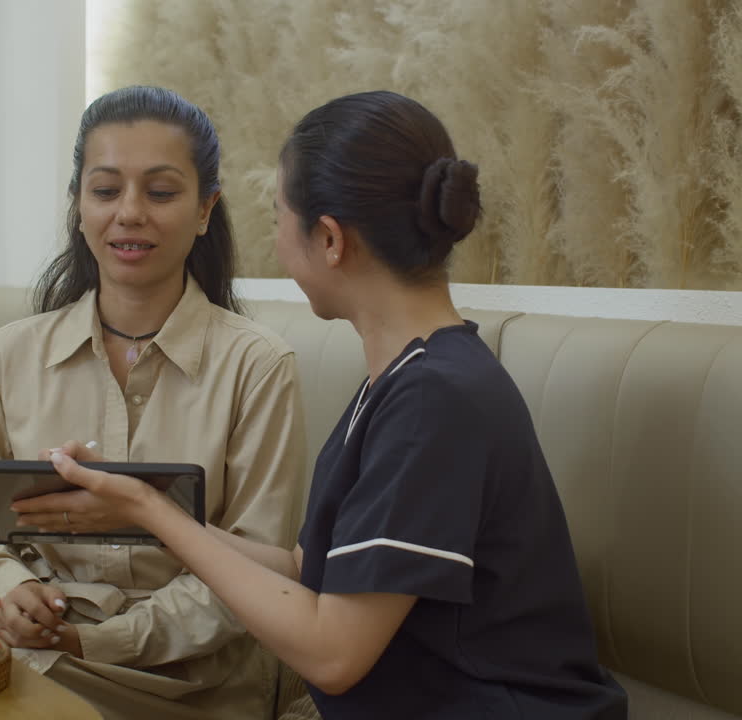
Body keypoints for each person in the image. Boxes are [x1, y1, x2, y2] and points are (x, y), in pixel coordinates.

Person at [45, 91, 629, 719]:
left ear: (327, 239)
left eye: (278, 217)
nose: (275, 241)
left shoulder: (436, 399)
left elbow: (331, 656)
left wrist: (149, 512)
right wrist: (145, 510)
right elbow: (306, 567)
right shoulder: (407, 376)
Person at [0, 85, 307, 720]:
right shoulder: (9, 354)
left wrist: (92, 640)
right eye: (105, 191)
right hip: (39, 651)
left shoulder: (258, 365)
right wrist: (12, 585)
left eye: (160, 192)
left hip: (196, 682)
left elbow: (260, 578)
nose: (129, 213)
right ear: (79, 206)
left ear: (204, 209)